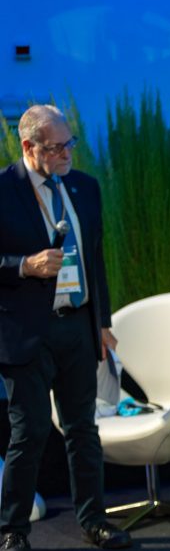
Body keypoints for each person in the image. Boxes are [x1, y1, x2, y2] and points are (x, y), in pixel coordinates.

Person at [0, 105, 131, 550]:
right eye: (55, 148)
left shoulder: (85, 187)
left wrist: (102, 322)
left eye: (69, 143)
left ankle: (94, 521)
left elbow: (95, 258)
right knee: (30, 432)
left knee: (82, 429)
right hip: (26, 332)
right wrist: (24, 266)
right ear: (28, 147)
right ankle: (13, 531)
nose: (65, 154)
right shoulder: (3, 189)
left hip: (77, 326)